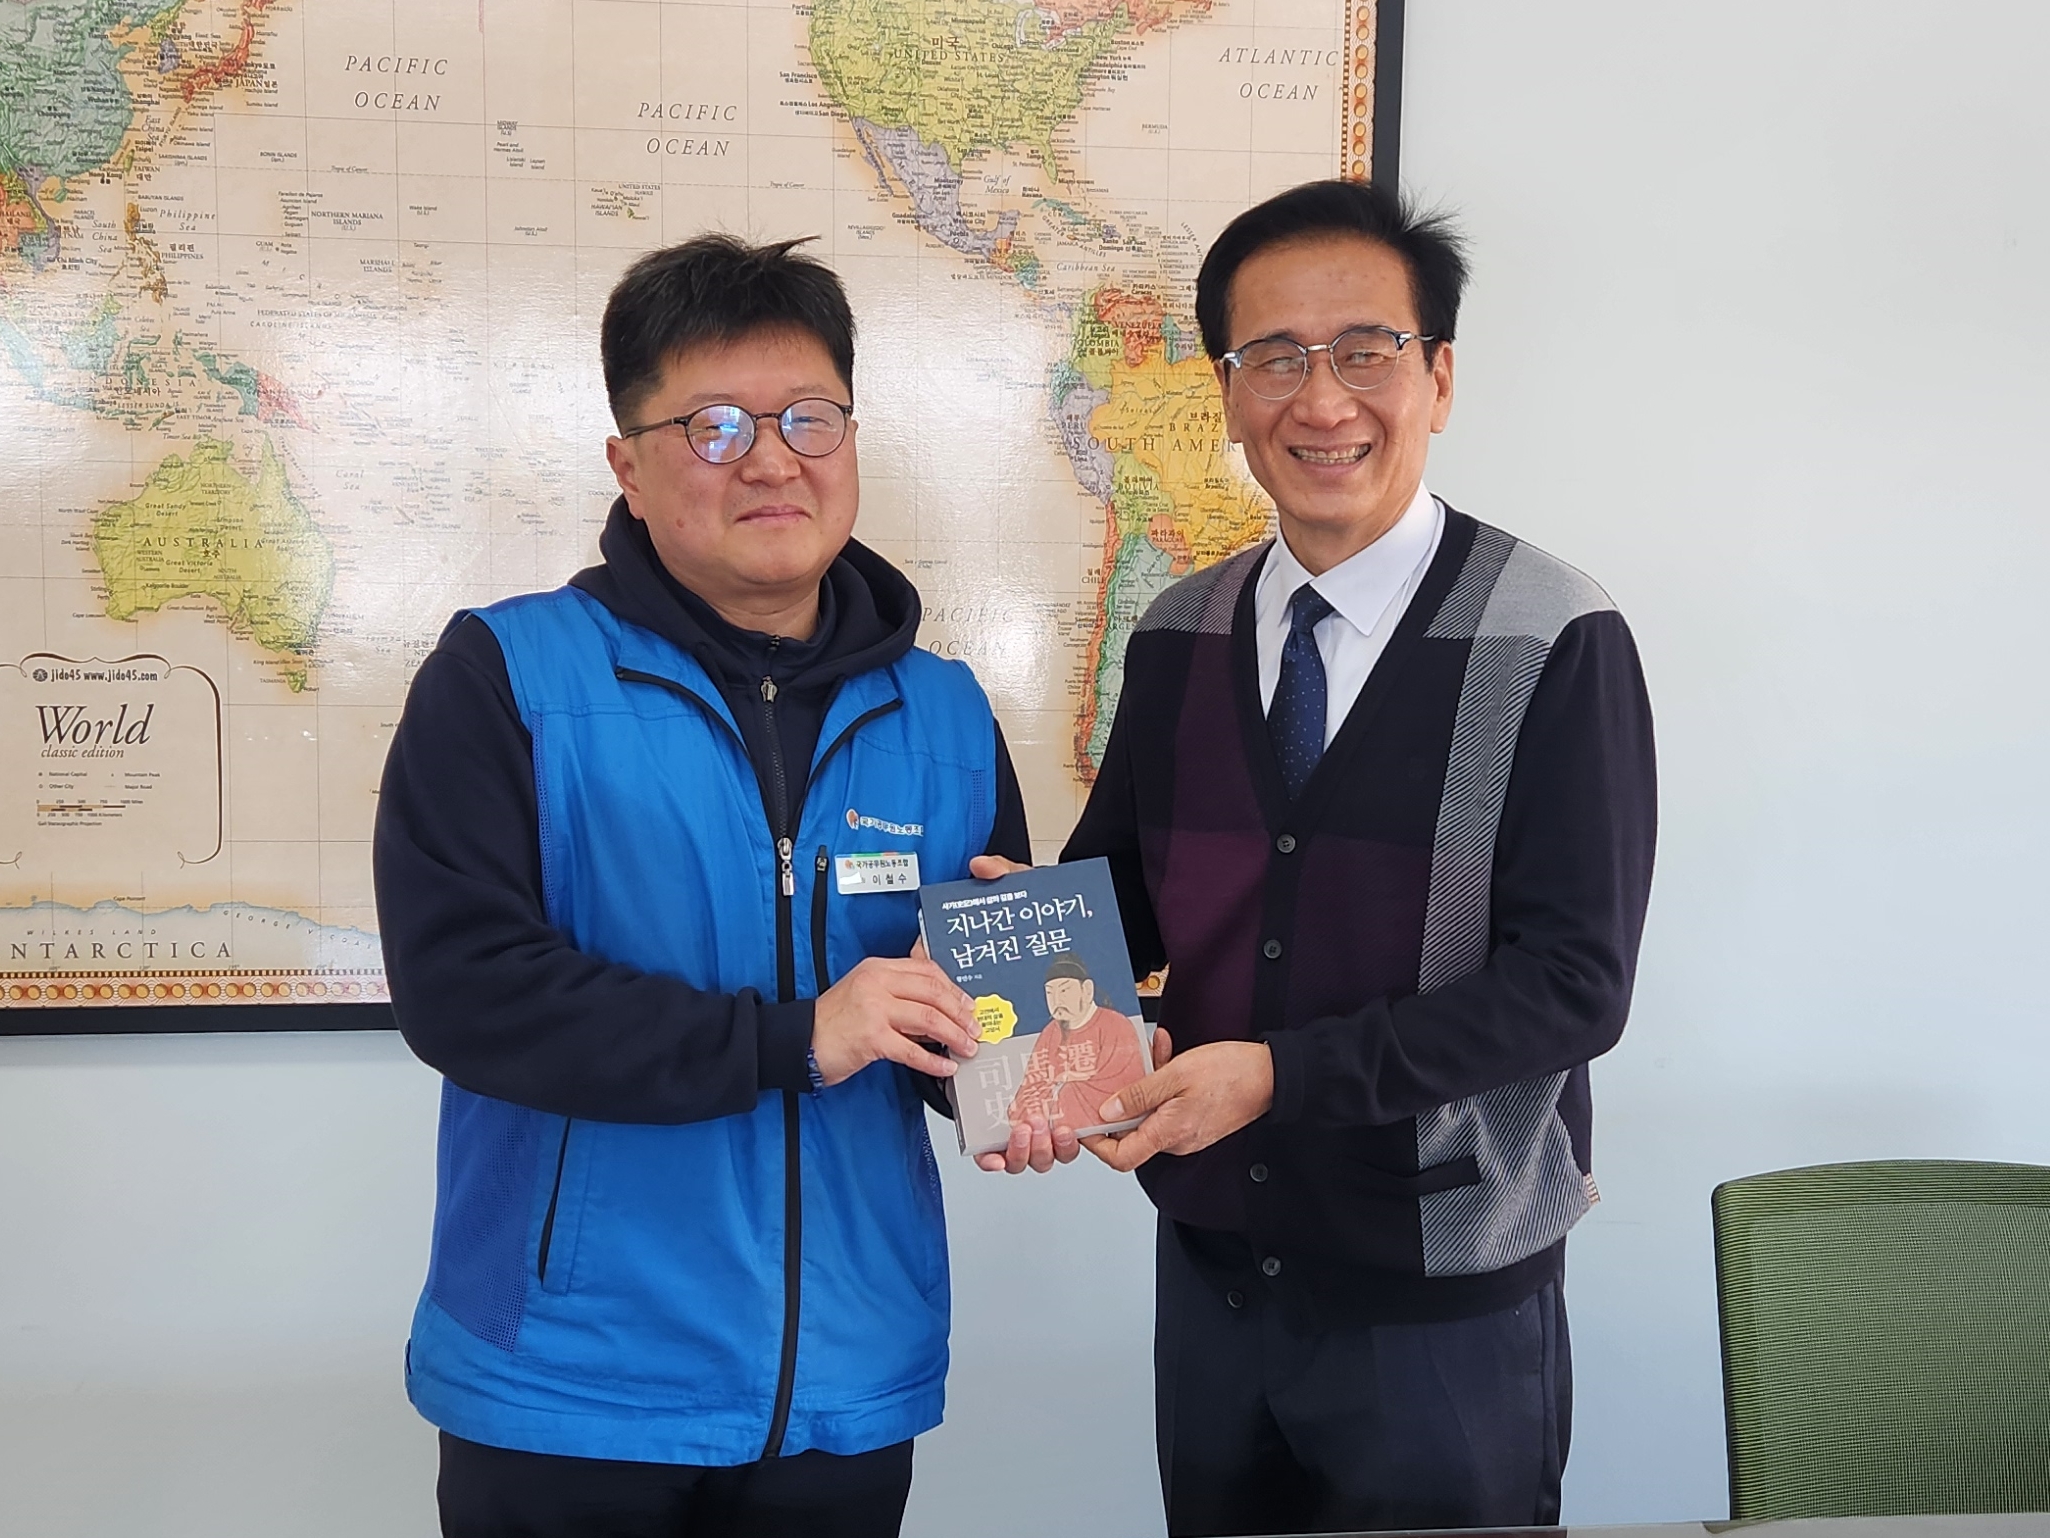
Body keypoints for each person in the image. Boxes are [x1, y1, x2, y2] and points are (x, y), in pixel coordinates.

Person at [373, 234, 1031, 1538]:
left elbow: (952, 1028)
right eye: (714, 424)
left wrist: (1039, 1064)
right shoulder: (507, 676)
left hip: (849, 1378)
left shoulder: (946, 712)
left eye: (808, 417)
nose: (772, 459)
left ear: (851, 437)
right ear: (628, 461)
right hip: (569, 1384)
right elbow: (466, 991)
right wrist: (795, 1037)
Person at [1054, 180, 1658, 1534]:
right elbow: (1127, 894)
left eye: (1364, 351)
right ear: (1226, 393)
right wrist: (1023, 947)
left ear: (1436, 377)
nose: (1319, 398)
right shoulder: (1179, 630)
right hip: (1214, 1271)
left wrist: (1280, 1076)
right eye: (1273, 356)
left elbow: (1573, 986)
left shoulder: (1553, 634)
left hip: (1443, 1288)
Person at [1010, 954, 1145, 1133]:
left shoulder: (1117, 1025)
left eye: (1064, 991)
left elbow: (1122, 1084)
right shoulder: (1051, 1032)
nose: (1056, 1001)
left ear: (1087, 990)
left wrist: (1063, 1086)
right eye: (1050, 993)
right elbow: (1030, 1086)